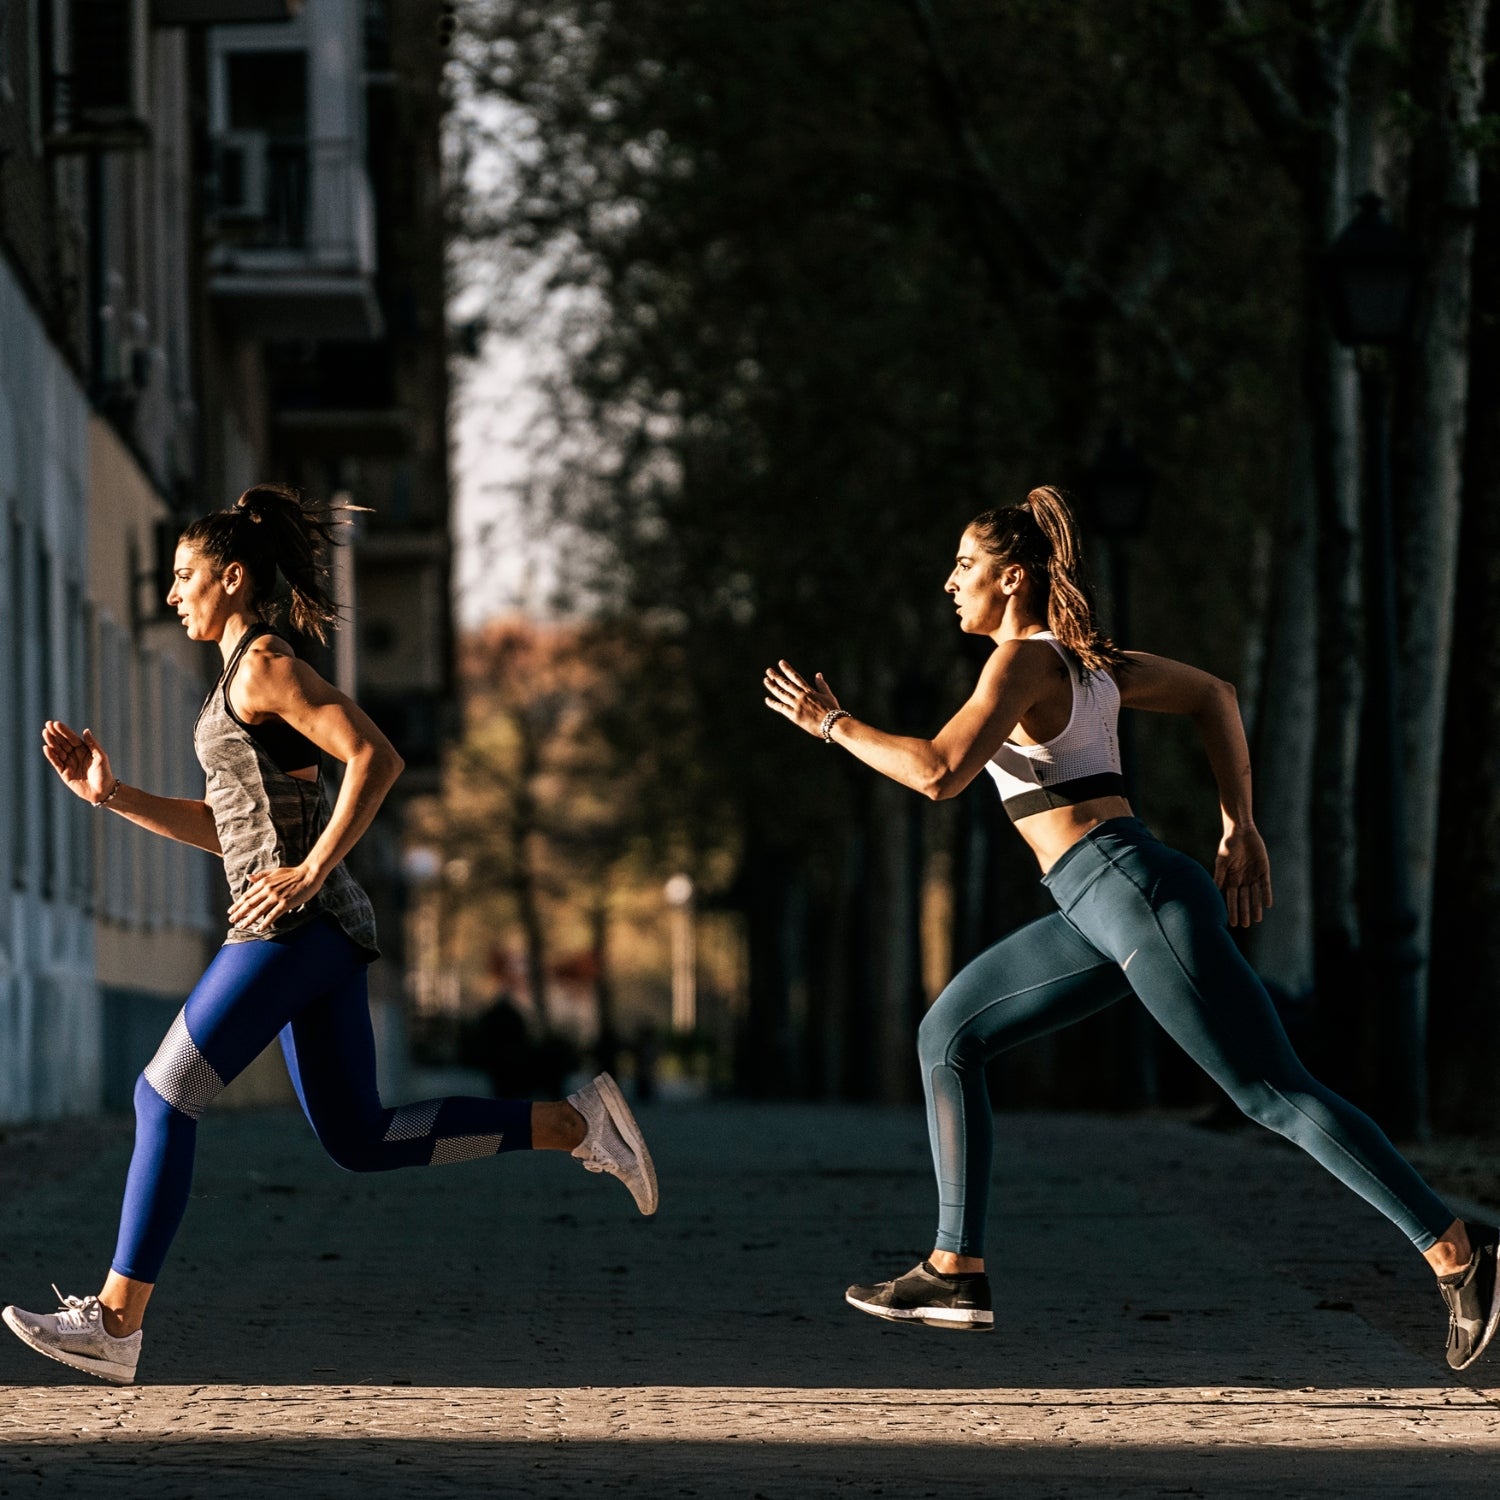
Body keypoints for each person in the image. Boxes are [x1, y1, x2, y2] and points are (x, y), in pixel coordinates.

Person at [763, 485, 1498, 1372]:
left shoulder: (1023, 662)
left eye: (965, 566)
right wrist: (1237, 824)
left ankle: (1460, 1255)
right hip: (1095, 907)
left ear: (1014, 578)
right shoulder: (1091, 663)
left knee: (1272, 1092)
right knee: (948, 1034)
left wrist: (831, 723)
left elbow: (938, 772)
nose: (949, 583)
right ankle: (955, 1269)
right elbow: (1215, 696)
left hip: (1132, 894)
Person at [3, 484, 657, 1386]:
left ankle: (116, 1322)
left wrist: (312, 871)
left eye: (185, 576)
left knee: (164, 1096)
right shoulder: (238, 677)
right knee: (358, 1136)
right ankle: (573, 1121)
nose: (171, 593)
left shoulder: (265, 662)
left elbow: (374, 757)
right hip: (319, 930)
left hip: (294, 925)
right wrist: (111, 796)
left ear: (233, 578)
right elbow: (227, 825)